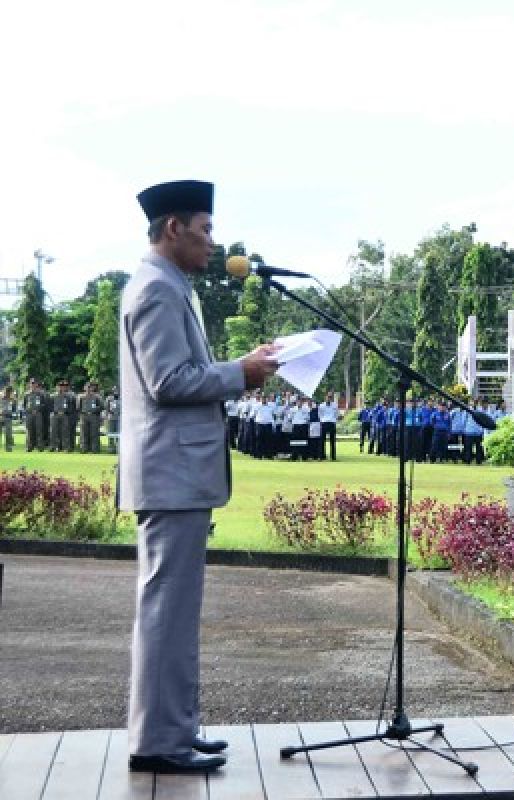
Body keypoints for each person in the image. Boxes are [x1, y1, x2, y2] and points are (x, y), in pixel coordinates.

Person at [120, 179, 278, 774]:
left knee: (177, 610)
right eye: (206, 229)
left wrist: (242, 366)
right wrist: (240, 373)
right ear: (173, 229)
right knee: (167, 609)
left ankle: (174, 729)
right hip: (170, 472)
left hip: (178, 472)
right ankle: (159, 743)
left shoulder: (172, 285)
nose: (214, 241)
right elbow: (169, 382)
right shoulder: (157, 290)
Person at [50, 379, 76, 452]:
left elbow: (71, 407)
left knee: (65, 432)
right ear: (57, 387)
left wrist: (66, 412)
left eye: (63, 386)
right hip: (55, 415)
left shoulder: (68, 396)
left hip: (65, 415)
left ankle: (66, 447)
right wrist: (54, 412)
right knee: (54, 431)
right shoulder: (53, 396)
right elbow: (50, 406)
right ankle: (55, 446)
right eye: (60, 386)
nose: (62, 388)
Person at [22, 378, 49, 451]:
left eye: (34, 383)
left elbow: (44, 404)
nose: (33, 385)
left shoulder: (41, 394)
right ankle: (29, 446)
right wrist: (28, 411)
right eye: (32, 383)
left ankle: (40, 446)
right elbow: (24, 405)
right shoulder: (26, 394)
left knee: (39, 430)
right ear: (29, 384)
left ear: (37, 384)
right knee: (29, 430)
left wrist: (38, 409)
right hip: (29, 414)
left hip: (38, 414)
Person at [78, 381, 105, 453]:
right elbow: (78, 407)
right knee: (84, 433)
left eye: (90, 387)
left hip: (94, 416)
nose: (89, 389)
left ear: (92, 388)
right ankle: (84, 449)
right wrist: (82, 413)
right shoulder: (81, 396)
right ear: (84, 388)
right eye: (87, 387)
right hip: (84, 416)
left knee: (94, 433)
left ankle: (95, 449)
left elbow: (102, 406)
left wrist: (95, 410)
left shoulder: (97, 397)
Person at [2, 385, 17, 451]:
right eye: (10, 392)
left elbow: (14, 409)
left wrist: (14, 400)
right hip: (1, 416)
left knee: (8, 433)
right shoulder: (1, 398)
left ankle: (8, 447)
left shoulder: (12, 400)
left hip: (8, 417)